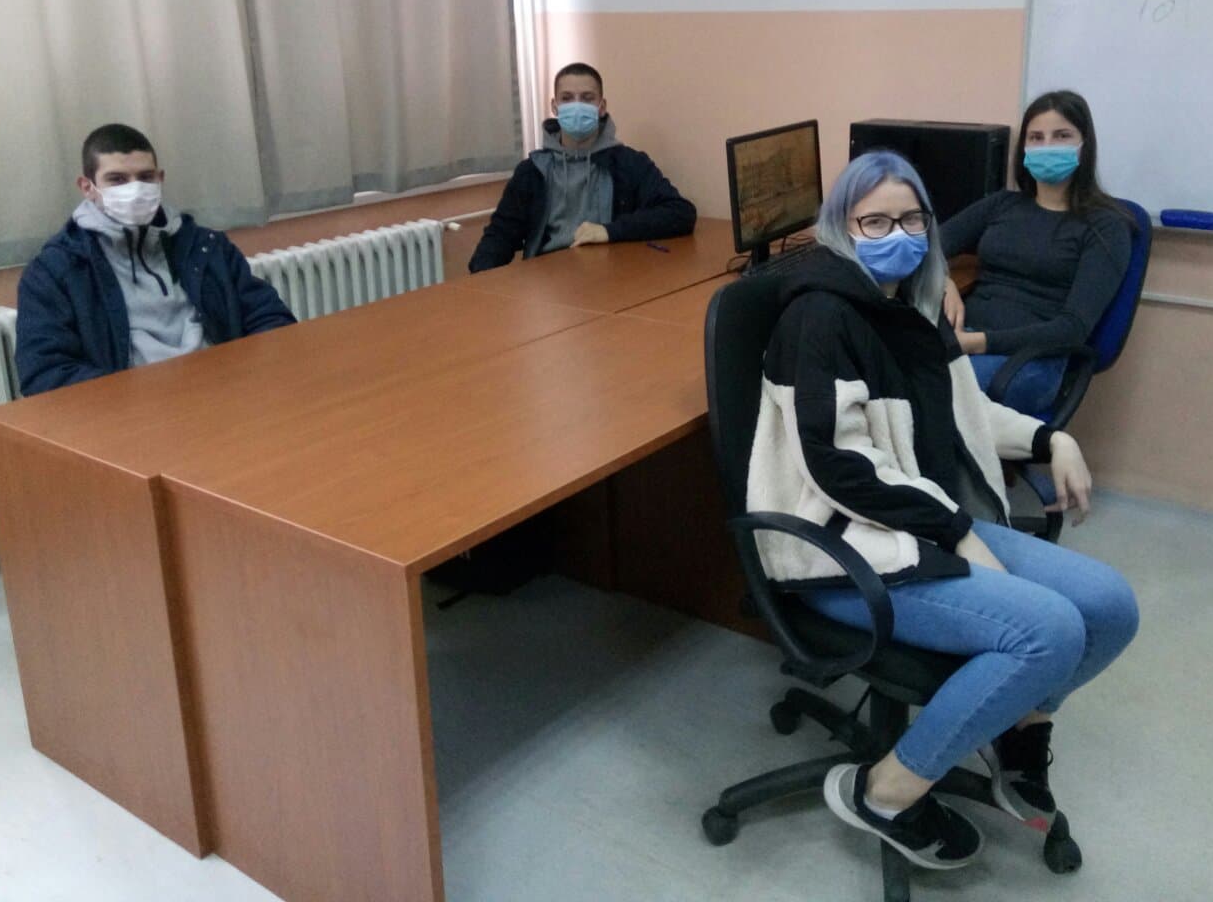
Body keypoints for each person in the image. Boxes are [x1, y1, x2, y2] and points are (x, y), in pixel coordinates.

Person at [747, 149, 1138, 870]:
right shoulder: (820, 316)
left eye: (911, 220)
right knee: (1049, 632)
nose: (897, 235)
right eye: (874, 221)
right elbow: (838, 467)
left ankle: (1018, 728)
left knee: (1111, 606)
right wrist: (956, 532)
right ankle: (883, 792)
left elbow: (969, 412)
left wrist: (1052, 438)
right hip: (845, 546)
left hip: (923, 522)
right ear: (840, 227)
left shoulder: (912, 308)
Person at [15, 123, 295, 396]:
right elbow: (45, 372)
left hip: (224, 392)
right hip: (134, 409)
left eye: (145, 177)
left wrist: (248, 376)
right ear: (87, 187)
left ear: (160, 179)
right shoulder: (55, 271)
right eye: (117, 180)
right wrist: (135, 397)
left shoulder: (205, 247)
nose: (135, 189)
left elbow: (271, 317)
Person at [939, 90, 1133, 415]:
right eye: (1036, 137)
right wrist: (943, 281)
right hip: (964, 337)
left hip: (1030, 359)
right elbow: (930, 244)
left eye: (1062, 136)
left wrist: (976, 342)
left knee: (930, 393)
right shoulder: (1003, 204)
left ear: (1084, 145)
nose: (1047, 147)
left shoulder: (1106, 227)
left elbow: (1072, 328)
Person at [467, 63, 696, 272]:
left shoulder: (628, 163)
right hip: (547, 281)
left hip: (612, 277)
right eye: (567, 98)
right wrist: (478, 282)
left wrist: (609, 231)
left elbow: (680, 213)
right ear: (555, 107)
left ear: (601, 107)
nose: (576, 106)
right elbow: (500, 236)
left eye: (587, 98)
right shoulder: (532, 171)